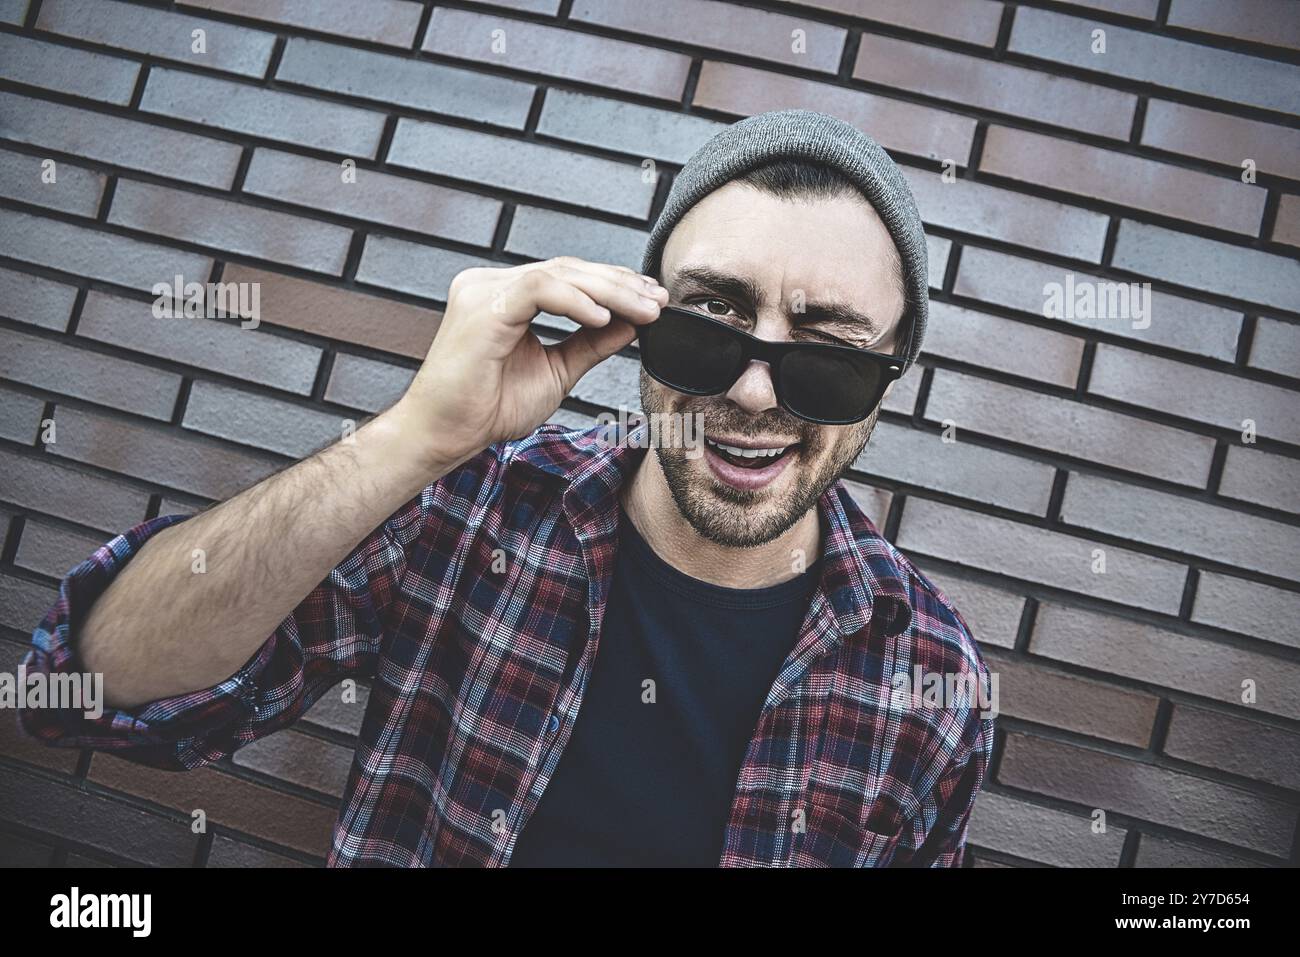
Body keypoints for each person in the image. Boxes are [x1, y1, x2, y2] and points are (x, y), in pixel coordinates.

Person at [20, 109, 995, 867]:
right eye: (709, 322)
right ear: (638, 316)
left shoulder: (932, 678)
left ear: (889, 382)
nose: (750, 390)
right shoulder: (468, 507)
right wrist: (412, 439)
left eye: (826, 358)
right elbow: (90, 692)